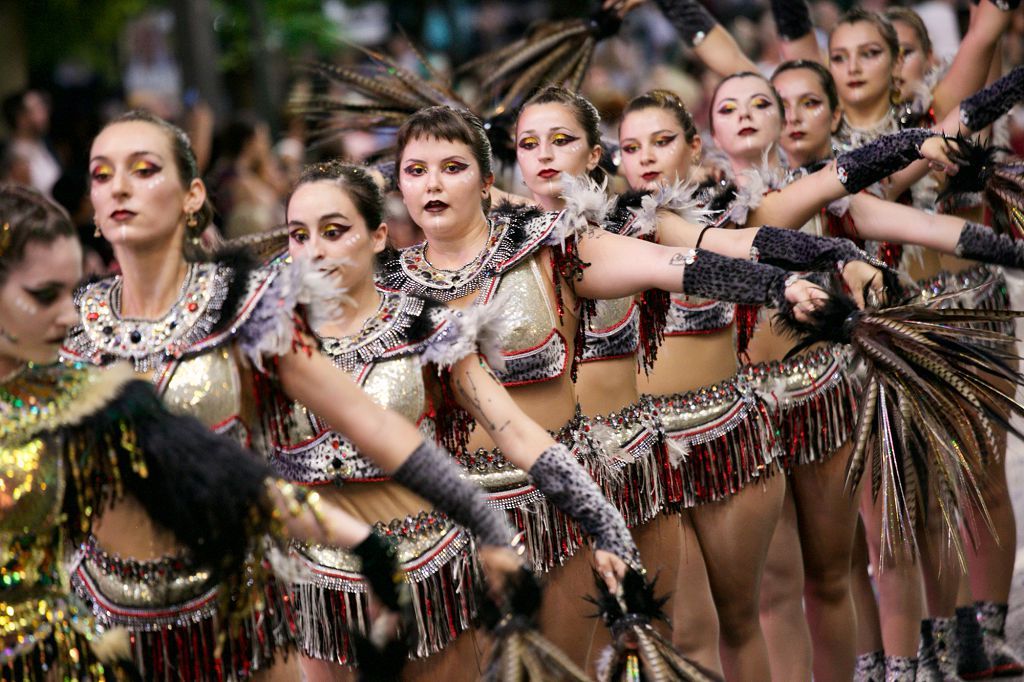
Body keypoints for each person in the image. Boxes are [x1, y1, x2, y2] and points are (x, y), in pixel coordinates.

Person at [61, 110, 521, 681]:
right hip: (98, 620)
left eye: (145, 169)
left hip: (239, 616)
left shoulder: (249, 312)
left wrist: (484, 522)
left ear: (192, 195)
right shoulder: (66, 327)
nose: (119, 187)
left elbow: (371, 425)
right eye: (101, 175)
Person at [0, 182, 404, 680]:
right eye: (44, 295)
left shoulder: (94, 399)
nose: (69, 314)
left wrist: (366, 548)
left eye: (72, 290)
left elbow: (228, 480)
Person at [280, 160, 640, 680]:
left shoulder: (428, 331)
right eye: (299, 235)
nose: (314, 251)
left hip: (424, 574)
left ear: (378, 236)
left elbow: (512, 428)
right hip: (318, 584)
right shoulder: (265, 343)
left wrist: (603, 522)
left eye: (334, 232)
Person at [1, 89, 61, 197]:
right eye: (37, 108)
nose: (45, 112)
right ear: (21, 118)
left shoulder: (43, 144)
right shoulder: (16, 156)